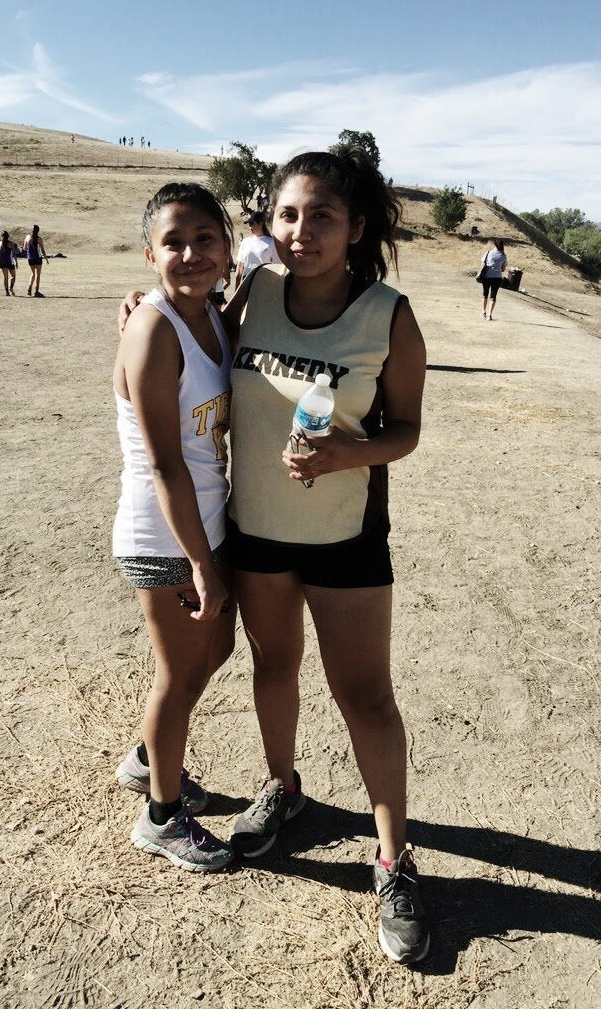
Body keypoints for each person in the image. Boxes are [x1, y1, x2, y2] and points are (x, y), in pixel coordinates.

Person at [118, 148, 430, 963]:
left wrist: (344, 456)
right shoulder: (253, 294)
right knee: (273, 669)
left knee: (366, 697)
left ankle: (394, 860)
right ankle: (284, 788)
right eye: (288, 216)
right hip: (255, 534)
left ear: (355, 227)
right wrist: (143, 306)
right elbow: (187, 331)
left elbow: (407, 430)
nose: (302, 232)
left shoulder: (389, 314)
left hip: (346, 537)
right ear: (270, 226)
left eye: (322, 216)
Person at [113, 183, 237, 872]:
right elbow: (164, 464)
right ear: (149, 254)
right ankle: (162, 815)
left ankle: (147, 756)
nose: (191, 254)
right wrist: (201, 564)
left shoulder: (211, 315)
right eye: (173, 243)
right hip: (165, 538)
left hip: (204, 524)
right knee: (178, 673)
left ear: (225, 244)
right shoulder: (155, 327)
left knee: (212, 653)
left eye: (204, 239)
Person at [233, 211, 280, 289]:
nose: (249, 227)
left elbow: (277, 268)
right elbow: (239, 268)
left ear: (261, 223)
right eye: (248, 224)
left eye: (252, 224)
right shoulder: (245, 242)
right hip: (247, 283)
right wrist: (236, 290)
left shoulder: (272, 243)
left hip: (265, 284)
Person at [478, 239, 507, 320]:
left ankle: (483, 313)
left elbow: (482, 263)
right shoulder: (503, 255)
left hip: (487, 276)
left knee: (485, 295)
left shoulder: (488, 253)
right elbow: (503, 269)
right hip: (497, 278)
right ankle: (490, 315)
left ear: (494, 245)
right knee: (493, 297)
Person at [23, 225, 49, 297]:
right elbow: (42, 250)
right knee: (38, 275)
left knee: (33, 274)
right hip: (37, 258)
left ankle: (29, 290)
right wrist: (46, 258)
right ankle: (36, 291)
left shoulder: (27, 238)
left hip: (30, 258)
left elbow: (24, 248)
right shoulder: (39, 239)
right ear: (38, 231)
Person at [0, 230, 18, 296]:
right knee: (13, 276)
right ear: (8, 236)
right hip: (9, 262)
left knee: (5, 277)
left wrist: (0, 262)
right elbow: (14, 254)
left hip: (2, 262)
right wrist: (16, 262)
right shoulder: (11, 243)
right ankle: (11, 288)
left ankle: (7, 292)